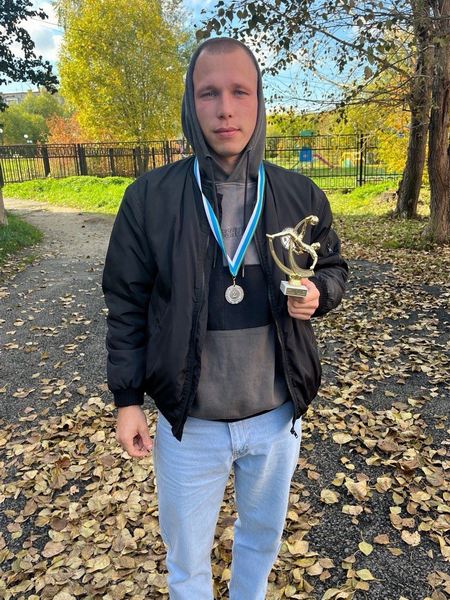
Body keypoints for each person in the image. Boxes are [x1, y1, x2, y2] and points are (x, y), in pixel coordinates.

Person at [102, 37, 348, 600]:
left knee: (261, 540)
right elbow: (126, 302)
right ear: (191, 104)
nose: (225, 109)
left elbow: (333, 267)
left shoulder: (299, 194)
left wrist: (319, 293)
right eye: (208, 93)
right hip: (190, 424)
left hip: (275, 417)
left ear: (259, 101)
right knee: (187, 558)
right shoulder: (150, 199)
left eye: (240, 92)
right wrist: (127, 400)